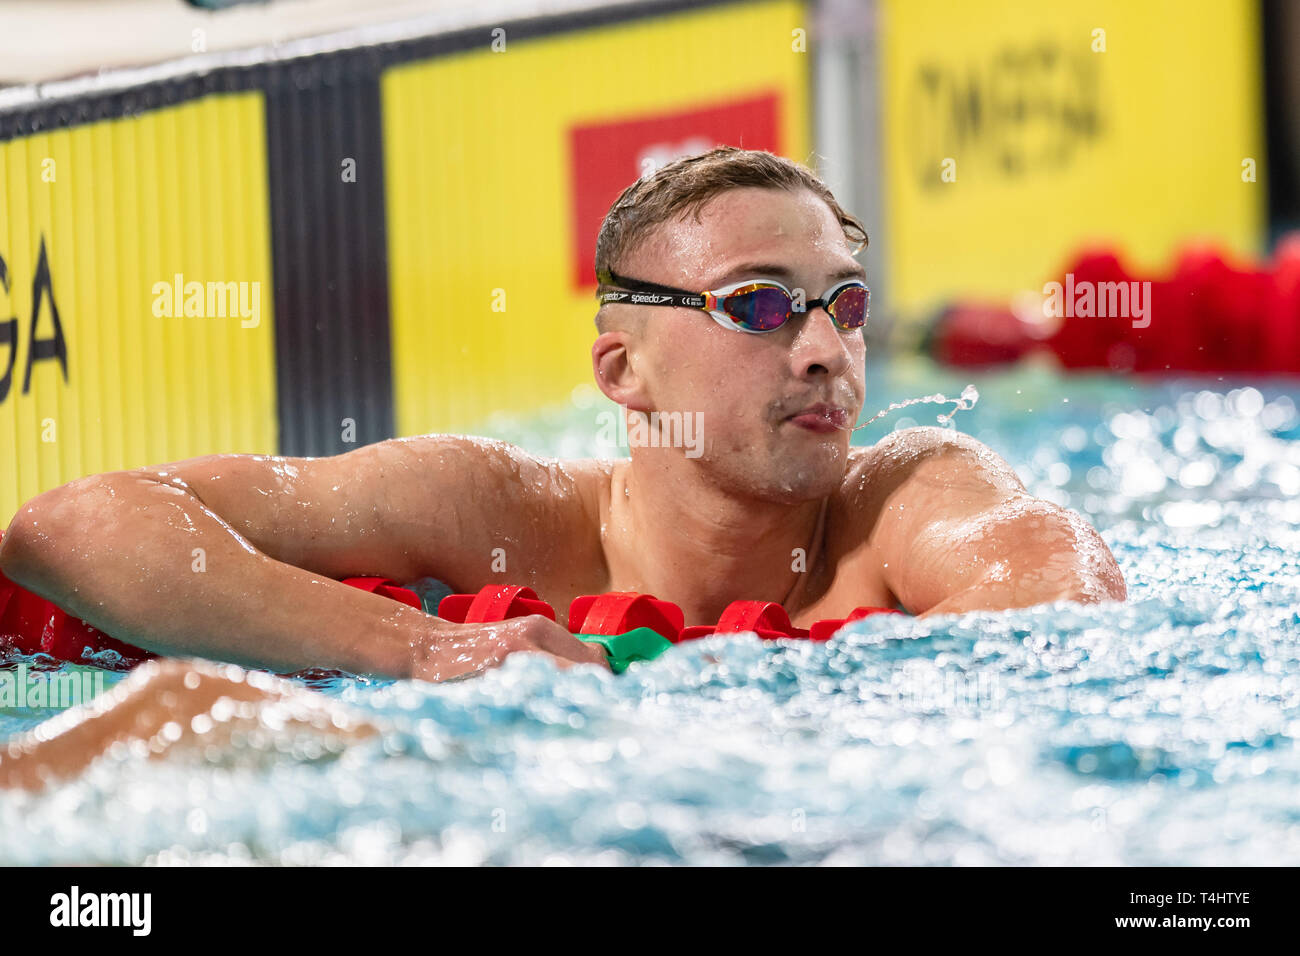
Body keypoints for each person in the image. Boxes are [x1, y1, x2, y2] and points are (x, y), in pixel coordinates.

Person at [0, 147, 1126, 689]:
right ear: (622, 371)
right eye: (759, 306)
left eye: (842, 304)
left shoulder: (907, 491)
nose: (825, 348)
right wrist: (435, 647)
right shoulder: (489, 506)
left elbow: (1069, 607)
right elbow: (69, 529)